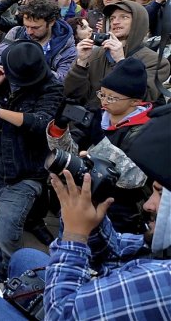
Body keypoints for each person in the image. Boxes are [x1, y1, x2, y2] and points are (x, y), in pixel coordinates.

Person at [0, 103, 171, 321]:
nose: (147, 206)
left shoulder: (163, 281)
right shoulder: (162, 250)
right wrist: (87, 216)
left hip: (64, 312)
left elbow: (61, 314)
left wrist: (75, 236)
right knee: (25, 258)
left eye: (161, 195)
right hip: (96, 297)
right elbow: (117, 253)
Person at [0, 40, 63, 279]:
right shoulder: (2, 76)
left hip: (24, 172)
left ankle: (17, 282)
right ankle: (1, 277)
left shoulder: (52, 88)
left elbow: (41, 123)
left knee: (5, 232)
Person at [48, 58, 152, 234]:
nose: (104, 101)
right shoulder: (98, 115)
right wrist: (59, 129)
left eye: (111, 97)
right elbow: (69, 156)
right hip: (80, 204)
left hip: (119, 215)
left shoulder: (148, 130)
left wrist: (99, 139)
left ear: (135, 101)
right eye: (102, 94)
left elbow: (135, 177)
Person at [65, 0, 170, 110]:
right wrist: (81, 63)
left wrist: (121, 62)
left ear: (138, 22)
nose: (115, 22)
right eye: (112, 18)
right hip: (90, 123)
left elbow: (143, 97)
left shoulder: (156, 62)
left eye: (124, 17)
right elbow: (74, 95)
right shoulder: (94, 54)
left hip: (127, 125)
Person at [0, 0, 77, 83]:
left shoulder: (66, 45)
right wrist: (11, 55)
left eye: (35, 28)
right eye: (26, 26)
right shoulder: (16, 33)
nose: (29, 32)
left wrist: (34, 67)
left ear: (51, 22)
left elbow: (64, 80)